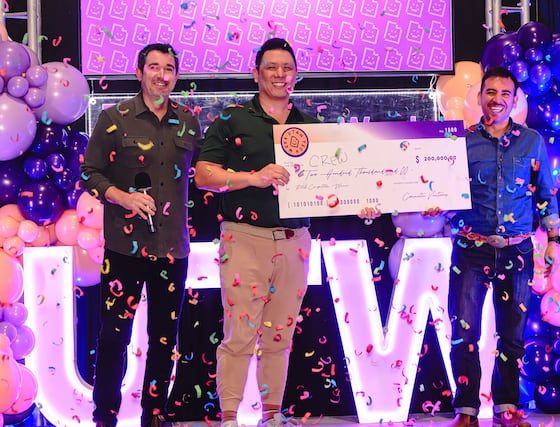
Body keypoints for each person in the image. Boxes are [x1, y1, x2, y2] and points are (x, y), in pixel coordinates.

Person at [194, 38, 379, 427]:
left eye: (287, 68)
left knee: (280, 335)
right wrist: (253, 177)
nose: (280, 75)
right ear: (256, 73)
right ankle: (229, 417)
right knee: (239, 334)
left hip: (295, 241)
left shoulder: (312, 128)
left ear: (297, 75)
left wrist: (363, 202)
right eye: (272, 67)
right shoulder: (232, 120)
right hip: (244, 237)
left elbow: (338, 185)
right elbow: (204, 175)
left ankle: (272, 415)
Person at [80, 43, 202, 427]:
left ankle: (155, 415)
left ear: (176, 76)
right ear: (139, 72)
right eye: (154, 67)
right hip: (124, 249)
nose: (161, 75)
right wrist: (122, 196)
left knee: (164, 339)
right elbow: (89, 174)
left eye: (169, 69)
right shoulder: (113, 118)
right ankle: (105, 416)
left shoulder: (189, 122)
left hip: (172, 250)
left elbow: (204, 175)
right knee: (114, 337)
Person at [446, 66, 559, 427]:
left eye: (505, 94)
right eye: (491, 93)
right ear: (480, 97)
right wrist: (434, 204)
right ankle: (466, 411)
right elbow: (445, 192)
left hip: (518, 250)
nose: (497, 100)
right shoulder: (459, 142)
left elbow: (546, 196)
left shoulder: (531, 142)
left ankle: (506, 408)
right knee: (464, 332)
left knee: (511, 335)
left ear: (514, 100)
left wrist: (553, 241)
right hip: (471, 249)